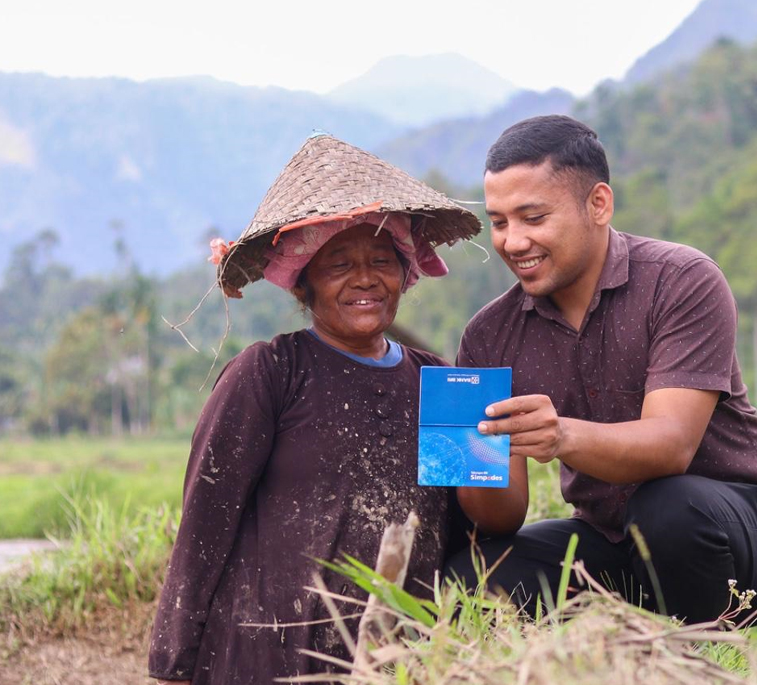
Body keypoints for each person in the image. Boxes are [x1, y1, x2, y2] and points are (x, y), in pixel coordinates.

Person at [149, 135, 515, 684]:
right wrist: (173, 662)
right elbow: (206, 520)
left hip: (396, 662)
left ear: (405, 273)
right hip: (265, 659)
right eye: (338, 264)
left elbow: (478, 527)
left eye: (381, 261)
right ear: (304, 284)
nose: (364, 278)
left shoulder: (442, 383)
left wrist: (503, 441)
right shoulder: (269, 373)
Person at [445, 116, 757, 625]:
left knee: (669, 507)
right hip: (613, 540)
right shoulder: (490, 335)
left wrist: (559, 436)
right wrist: (474, 454)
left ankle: (695, 658)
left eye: (533, 218)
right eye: (500, 222)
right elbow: (500, 518)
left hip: (745, 538)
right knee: (470, 578)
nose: (513, 242)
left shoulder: (682, 281)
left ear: (598, 204)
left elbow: (671, 446)